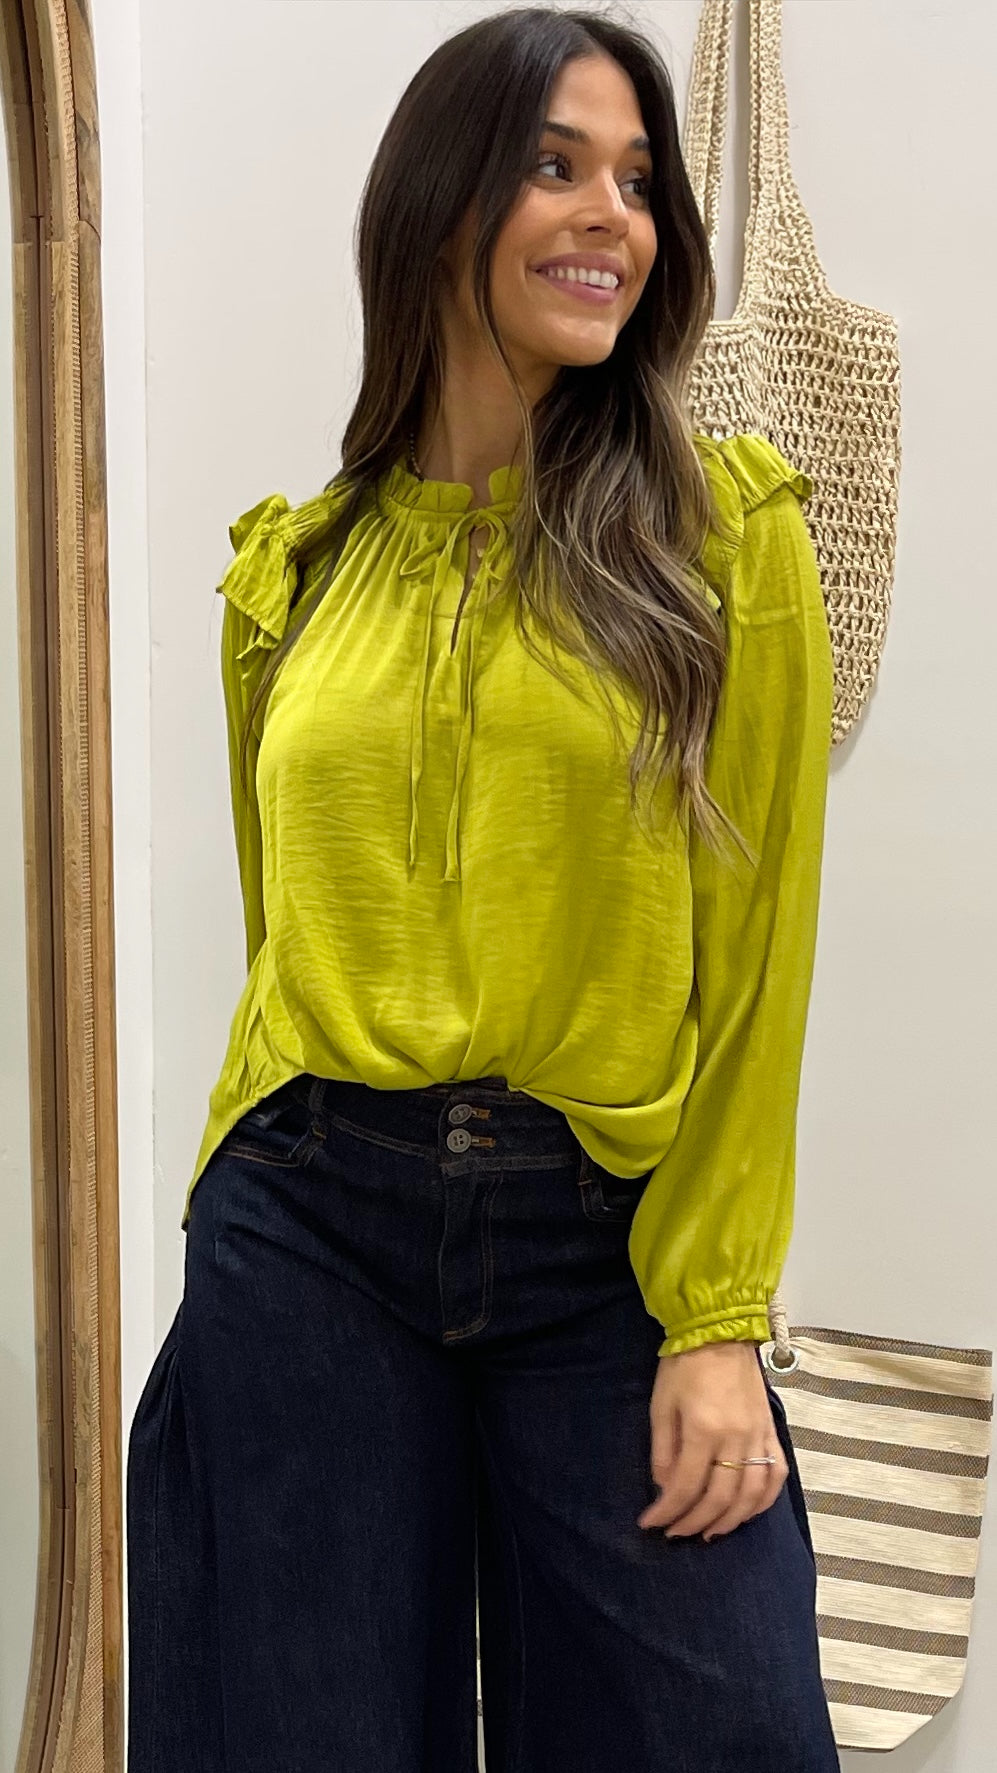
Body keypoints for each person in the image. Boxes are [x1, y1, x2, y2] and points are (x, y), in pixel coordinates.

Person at [126, 7, 840, 1770]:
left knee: (723, 1727)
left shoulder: (723, 541)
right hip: (308, 1235)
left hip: (605, 1242)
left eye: (637, 181)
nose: (611, 214)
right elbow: (288, 946)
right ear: (437, 202)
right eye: (553, 165)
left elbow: (758, 959)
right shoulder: (290, 578)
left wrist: (716, 1317)